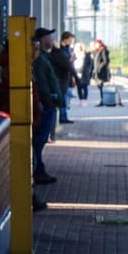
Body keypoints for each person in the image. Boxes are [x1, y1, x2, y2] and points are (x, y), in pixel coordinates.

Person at [31, 28, 64, 190]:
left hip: (47, 104)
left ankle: (38, 169)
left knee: (40, 140)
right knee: (38, 141)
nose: (52, 39)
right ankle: (37, 171)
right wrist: (48, 100)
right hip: (46, 105)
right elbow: (42, 83)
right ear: (42, 39)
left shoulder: (44, 57)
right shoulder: (39, 60)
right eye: (49, 36)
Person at [50, 32, 78, 124]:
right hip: (61, 79)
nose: (71, 42)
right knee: (63, 98)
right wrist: (70, 60)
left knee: (66, 98)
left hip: (66, 78)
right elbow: (64, 63)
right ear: (64, 40)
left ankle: (64, 116)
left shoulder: (67, 50)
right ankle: (62, 117)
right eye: (70, 40)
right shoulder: (60, 51)